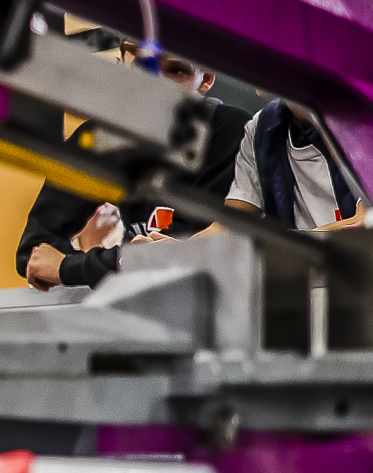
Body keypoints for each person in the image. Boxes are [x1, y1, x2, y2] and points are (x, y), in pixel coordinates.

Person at [16, 40, 249, 289]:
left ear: (206, 79)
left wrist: (70, 268)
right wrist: (108, 265)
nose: (156, 83)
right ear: (122, 64)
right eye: (142, 66)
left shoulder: (235, 133)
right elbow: (35, 253)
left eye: (176, 71)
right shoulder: (100, 138)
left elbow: (178, 254)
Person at [221, 99, 365, 229]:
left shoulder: (370, 119)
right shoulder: (261, 128)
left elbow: (367, 222)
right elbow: (229, 226)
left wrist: (288, 249)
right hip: (300, 254)